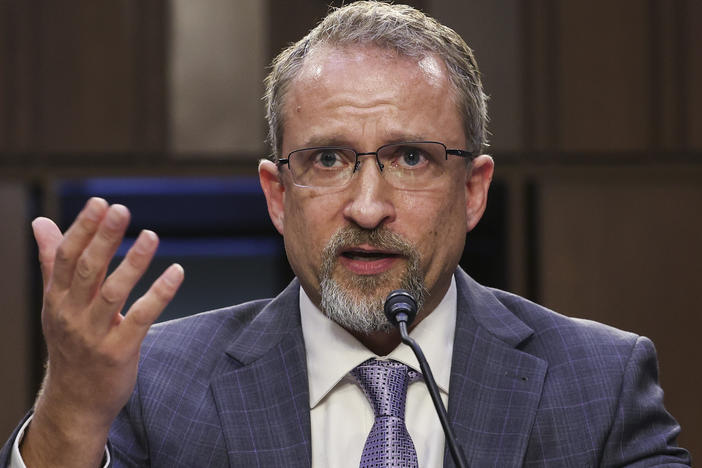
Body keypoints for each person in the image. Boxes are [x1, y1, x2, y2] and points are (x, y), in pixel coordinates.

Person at [1, 2, 690, 467]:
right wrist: (73, 411)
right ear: (277, 195)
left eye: (410, 158)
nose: (366, 207)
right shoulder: (156, 383)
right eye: (328, 159)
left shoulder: (600, 382)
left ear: (474, 190)